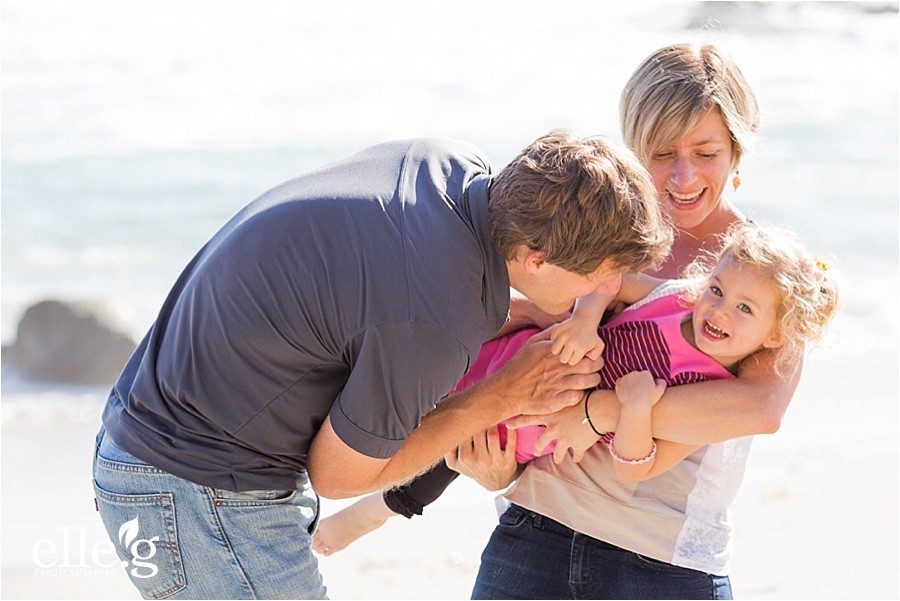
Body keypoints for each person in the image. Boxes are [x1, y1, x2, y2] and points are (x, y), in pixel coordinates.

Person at [91, 130, 673, 599]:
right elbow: (338, 476)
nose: (612, 287)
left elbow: (371, 292)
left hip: (149, 440)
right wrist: (501, 396)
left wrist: (516, 314)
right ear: (537, 259)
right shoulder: (432, 319)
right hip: (196, 488)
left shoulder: (444, 163)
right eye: (604, 272)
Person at [311, 41, 788, 560]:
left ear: (738, 149)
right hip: (532, 531)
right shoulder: (604, 234)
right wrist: (498, 471)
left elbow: (761, 408)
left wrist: (597, 414)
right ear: (633, 146)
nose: (684, 176)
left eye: (706, 153)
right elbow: (507, 348)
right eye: (662, 153)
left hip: (657, 559)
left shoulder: (760, 276)